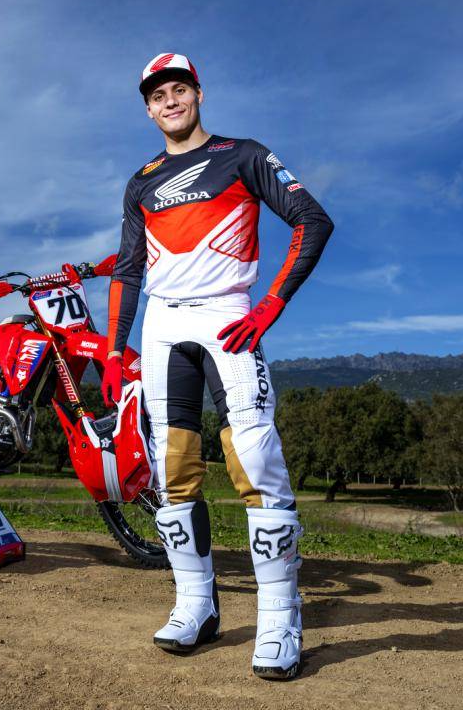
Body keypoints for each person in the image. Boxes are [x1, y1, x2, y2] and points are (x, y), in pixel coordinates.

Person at [100, 52, 334, 679]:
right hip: (161, 328)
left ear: (198, 94)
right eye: (157, 96)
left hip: (227, 314)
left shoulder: (243, 155)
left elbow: (313, 220)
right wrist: (115, 348)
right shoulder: (141, 181)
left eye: (178, 89)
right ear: (148, 110)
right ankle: (195, 605)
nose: (169, 101)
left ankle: (280, 617)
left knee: (254, 459)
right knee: (171, 467)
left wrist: (271, 305)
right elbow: (128, 269)